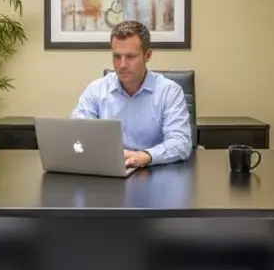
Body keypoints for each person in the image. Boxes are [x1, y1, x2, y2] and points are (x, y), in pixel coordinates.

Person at [71, 20, 192, 168]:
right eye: (117, 56)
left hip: (155, 173)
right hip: (108, 173)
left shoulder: (170, 92)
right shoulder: (96, 90)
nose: (122, 65)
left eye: (130, 57)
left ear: (147, 55)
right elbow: (78, 134)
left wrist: (145, 156)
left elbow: (181, 143)